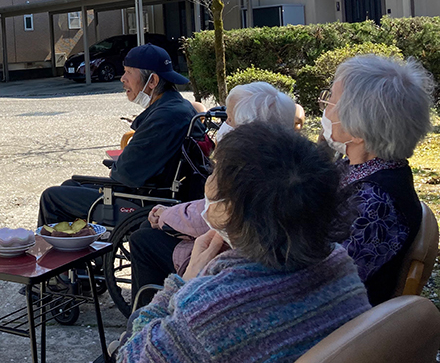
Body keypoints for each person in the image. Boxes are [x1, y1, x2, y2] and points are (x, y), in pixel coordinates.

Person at [116, 123, 371, 363]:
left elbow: (130, 357)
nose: (208, 181)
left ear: (228, 210)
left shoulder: (209, 309)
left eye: (214, 173)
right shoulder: (339, 264)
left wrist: (183, 284)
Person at [129, 82, 297, 293]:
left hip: (226, 260)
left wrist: (165, 216)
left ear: (249, 128)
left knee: (142, 239)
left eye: (229, 119)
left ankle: (150, 307)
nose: (224, 125)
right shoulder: (292, 162)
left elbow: (212, 216)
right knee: (149, 228)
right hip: (258, 256)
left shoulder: (244, 169)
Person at [37, 44, 197, 226]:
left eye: (129, 72)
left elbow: (124, 174)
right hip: (157, 190)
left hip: (145, 201)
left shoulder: (165, 117)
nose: (122, 78)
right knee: (69, 186)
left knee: (52, 197)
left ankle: (52, 244)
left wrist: (118, 166)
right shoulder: (178, 106)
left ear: (152, 81)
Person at [320, 54, 433, 305]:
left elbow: (324, 284)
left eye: (330, 101)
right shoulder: (356, 168)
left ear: (357, 130)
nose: (325, 108)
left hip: (336, 320)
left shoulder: (376, 202)